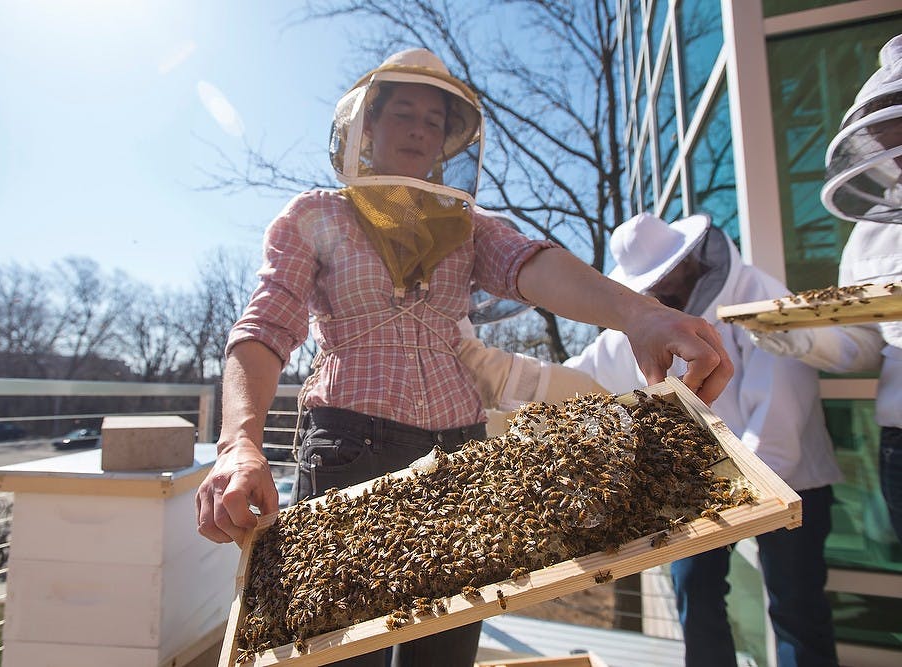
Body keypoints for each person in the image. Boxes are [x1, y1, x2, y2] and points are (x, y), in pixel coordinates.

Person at [196, 48, 732, 667]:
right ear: (365, 126)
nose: (421, 128)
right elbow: (266, 327)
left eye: (435, 120)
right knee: (345, 653)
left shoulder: (468, 226)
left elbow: (531, 264)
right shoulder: (317, 215)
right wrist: (239, 443)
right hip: (350, 448)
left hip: (460, 451)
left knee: (445, 653)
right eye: (403, 113)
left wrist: (639, 313)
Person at [563, 212, 842, 667]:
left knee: (796, 607)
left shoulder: (757, 292)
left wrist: (731, 488)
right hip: (701, 488)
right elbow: (584, 373)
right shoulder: (649, 318)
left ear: (690, 257)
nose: (662, 286)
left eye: (667, 272)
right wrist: (511, 375)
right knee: (694, 590)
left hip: (792, 478)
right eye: (650, 282)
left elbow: (781, 415)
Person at [752, 34, 902, 544]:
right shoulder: (873, 234)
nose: (892, 154)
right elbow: (866, 345)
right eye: (885, 140)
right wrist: (789, 333)